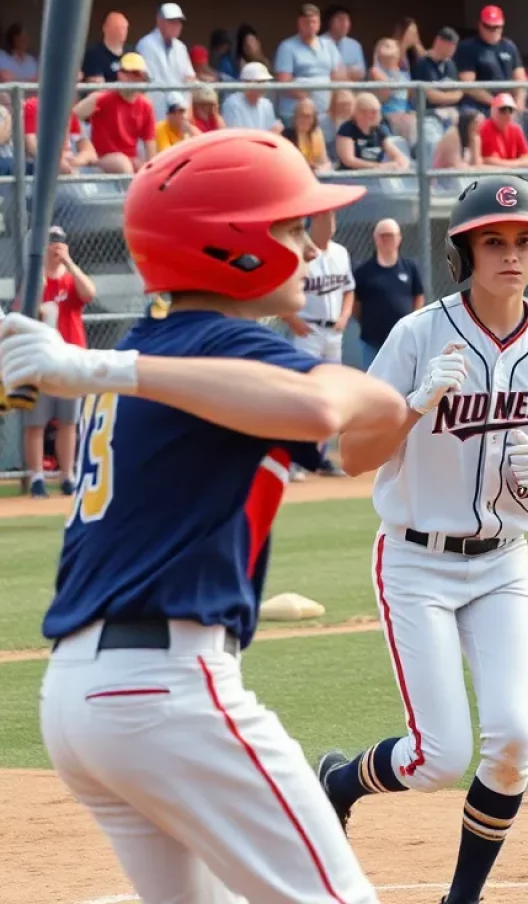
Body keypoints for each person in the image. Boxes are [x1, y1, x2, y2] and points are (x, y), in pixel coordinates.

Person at [0, 129, 406, 904]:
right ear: (236, 248)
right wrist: (96, 368)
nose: (308, 245)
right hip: (166, 688)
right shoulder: (217, 349)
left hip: (81, 700)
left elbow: (370, 426)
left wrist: (97, 368)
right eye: (290, 227)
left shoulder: (162, 355)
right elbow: (327, 404)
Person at [318, 175, 528, 904]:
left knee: (513, 742)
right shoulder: (417, 336)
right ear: (463, 255)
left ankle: (462, 899)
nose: (510, 254)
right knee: (438, 756)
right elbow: (350, 457)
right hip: (416, 561)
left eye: (523, 241)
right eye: (493, 242)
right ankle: (338, 782)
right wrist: (413, 407)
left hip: (505, 566)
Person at [17, 226, 95, 498]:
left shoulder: (71, 279)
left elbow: (89, 294)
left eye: (60, 240)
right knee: (35, 422)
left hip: (69, 356)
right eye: (51, 241)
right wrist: (39, 271)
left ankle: (67, 476)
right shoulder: (33, 280)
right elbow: (23, 310)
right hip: (38, 358)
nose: (56, 246)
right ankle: (37, 477)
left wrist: (69, 263)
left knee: (68, 421)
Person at [284, 210, 356, 477]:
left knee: (330, 396)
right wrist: (292, 320)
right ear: (313, 223)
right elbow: (279, 288)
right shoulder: (301, 252)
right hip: (307, 330)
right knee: (303, 395)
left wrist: (345, 315)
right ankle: (294, 459)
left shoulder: (340, 253)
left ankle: (320, 457)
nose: (330, 224)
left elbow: (349, 289)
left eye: (333, 219)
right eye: (324, 219)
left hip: (333, 333)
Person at [352, 218, 425, 370]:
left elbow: (418, 296)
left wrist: (413, 320)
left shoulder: (410, 268)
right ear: (375, 239)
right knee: (373, 385)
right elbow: (356, 304)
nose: (386, 240)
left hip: (403, 342)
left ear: (399, 238)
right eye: (382, 236)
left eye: (390, 235)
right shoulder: (363, 272)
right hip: (372, 343)